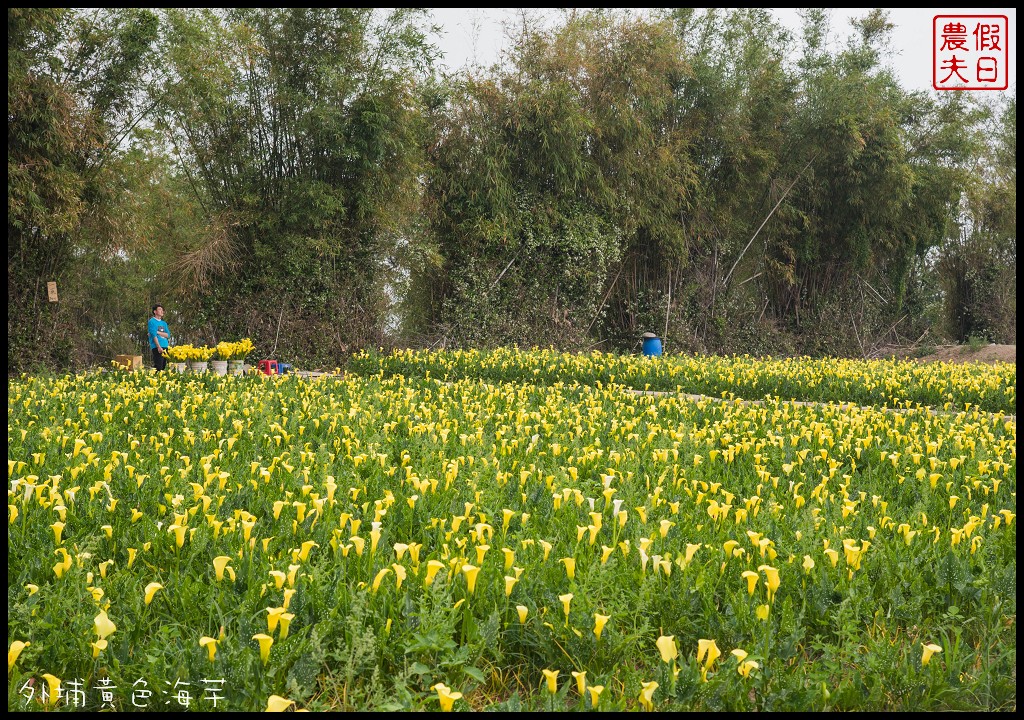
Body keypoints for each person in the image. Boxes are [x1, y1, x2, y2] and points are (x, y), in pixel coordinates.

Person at [148, 304, 170, 371]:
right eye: (160, 309)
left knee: (163, 366)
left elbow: (168, 335)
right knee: (158, 366)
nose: (162, 311)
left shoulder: (164, 323)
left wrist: (158, 332)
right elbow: (153, 335)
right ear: (155, 311)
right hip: (157, 346)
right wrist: (158, 347)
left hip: (165, 345)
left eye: (162, 310)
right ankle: (154, 380)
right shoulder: (152, 321)